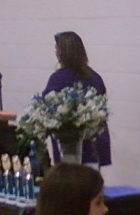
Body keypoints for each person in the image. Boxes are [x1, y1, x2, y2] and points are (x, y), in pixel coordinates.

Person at [44, 31, 112, 167]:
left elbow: (47, 108)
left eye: (58, 49)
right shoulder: (95, 77)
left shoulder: (58, 79)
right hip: (93, 144)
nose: (56, 53)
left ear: (65, 52)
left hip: (68, 145)